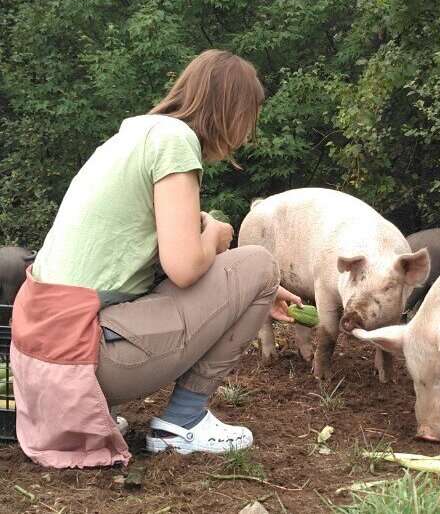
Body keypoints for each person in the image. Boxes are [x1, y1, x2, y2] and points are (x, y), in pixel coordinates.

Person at [10, 49, 300, 468]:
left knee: (253, 274)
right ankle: (184, 423)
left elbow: (154, 247)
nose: (247, 134)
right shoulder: (176, 142)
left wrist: (247, 291)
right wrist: (220, 236)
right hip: (85, 359)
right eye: (248, 118)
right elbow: (184, 267)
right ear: (230, 110)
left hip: (43, 364)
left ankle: (104, 414)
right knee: (259, 263)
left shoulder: (132, 137)